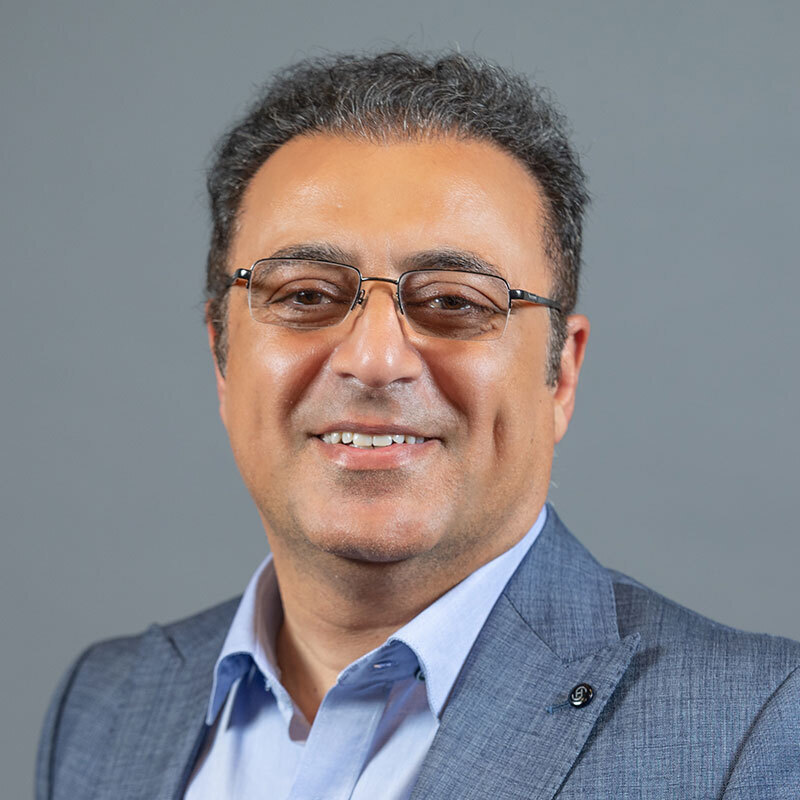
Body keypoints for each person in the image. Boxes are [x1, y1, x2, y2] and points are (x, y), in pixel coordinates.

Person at [36, 51, 800, 800]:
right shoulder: (104, 709)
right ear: (221, 355)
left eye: (455, 302)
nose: (374, 361)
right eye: (305, 295)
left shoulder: (755, 731)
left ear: (561, 375)